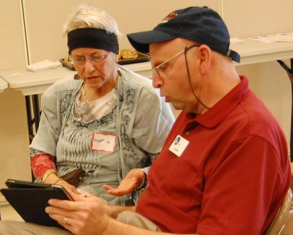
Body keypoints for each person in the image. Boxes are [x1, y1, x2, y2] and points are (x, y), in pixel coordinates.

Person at [0, 6, 291, 235]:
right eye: (78, 59)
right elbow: (162, 204)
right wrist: (106, 213)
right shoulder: (195, 113)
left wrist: (104, 227)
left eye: (162, 68)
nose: (154, 82)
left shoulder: (248, 136)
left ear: (203, 58)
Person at [28, 4, 175, 206]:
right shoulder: (58, 95)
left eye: (97, 57)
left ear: (115, 54)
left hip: (117, 207)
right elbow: (39, 152)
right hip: (64, 202)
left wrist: (142, 174)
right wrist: (53, 181)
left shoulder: (144, 97)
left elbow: (170, 162)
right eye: (79, 59)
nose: (88, 68)